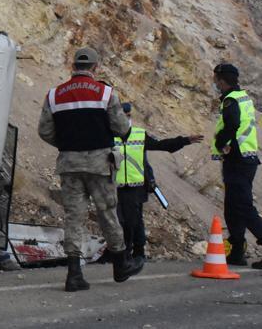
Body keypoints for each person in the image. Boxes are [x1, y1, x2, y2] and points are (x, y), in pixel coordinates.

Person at [38, 47, 143, 292]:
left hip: (69, 164)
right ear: (95, 68)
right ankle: (120, 265)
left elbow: (44, 131)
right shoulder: (106, 93)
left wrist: (66, 144)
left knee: (74, 217)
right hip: (99, 164)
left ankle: (74, 274)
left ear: (73, 66)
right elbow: (121, 128)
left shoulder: (54, 95)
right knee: (107, 212)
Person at [115, 102, 203, 264]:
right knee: (126, 219)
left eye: (128, 116)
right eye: (123, 116)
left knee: (132, 220)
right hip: (117, 186)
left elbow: (162, 145)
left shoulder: (139, 134)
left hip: (136, 186)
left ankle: (134, 252)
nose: (126, 119)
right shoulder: (109, 136)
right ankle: (130, 252)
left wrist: (184, 140)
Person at [211, 63, 262, 268]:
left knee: (242, 205)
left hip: (239, 159)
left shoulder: (231, 100)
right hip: (245, 158)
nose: (214, 82)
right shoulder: (243, 97)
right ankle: (236, 251)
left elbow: (231, 125)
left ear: (221, 80)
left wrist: (220, 143)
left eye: (215, 79)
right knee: (232, 206)